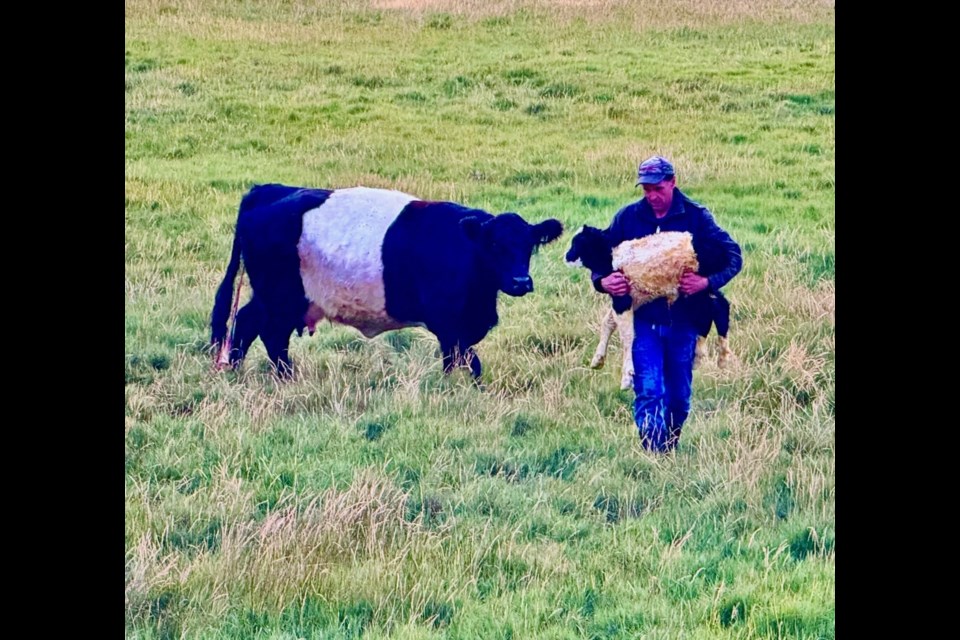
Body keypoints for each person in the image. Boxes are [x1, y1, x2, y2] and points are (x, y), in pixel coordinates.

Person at [593, 155, 742, 452]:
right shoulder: (629, 217)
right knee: (649, 391)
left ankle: (669, 445)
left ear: (673, 182)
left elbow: (733, 255)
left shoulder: (696, 217)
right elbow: (599, 254)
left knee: (678, 398)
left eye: (657, 188)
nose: (652, 196)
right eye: (646, 190)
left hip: (685, 321)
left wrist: (706, 283)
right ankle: (654, 454)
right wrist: (602, 280)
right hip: (643, 320)